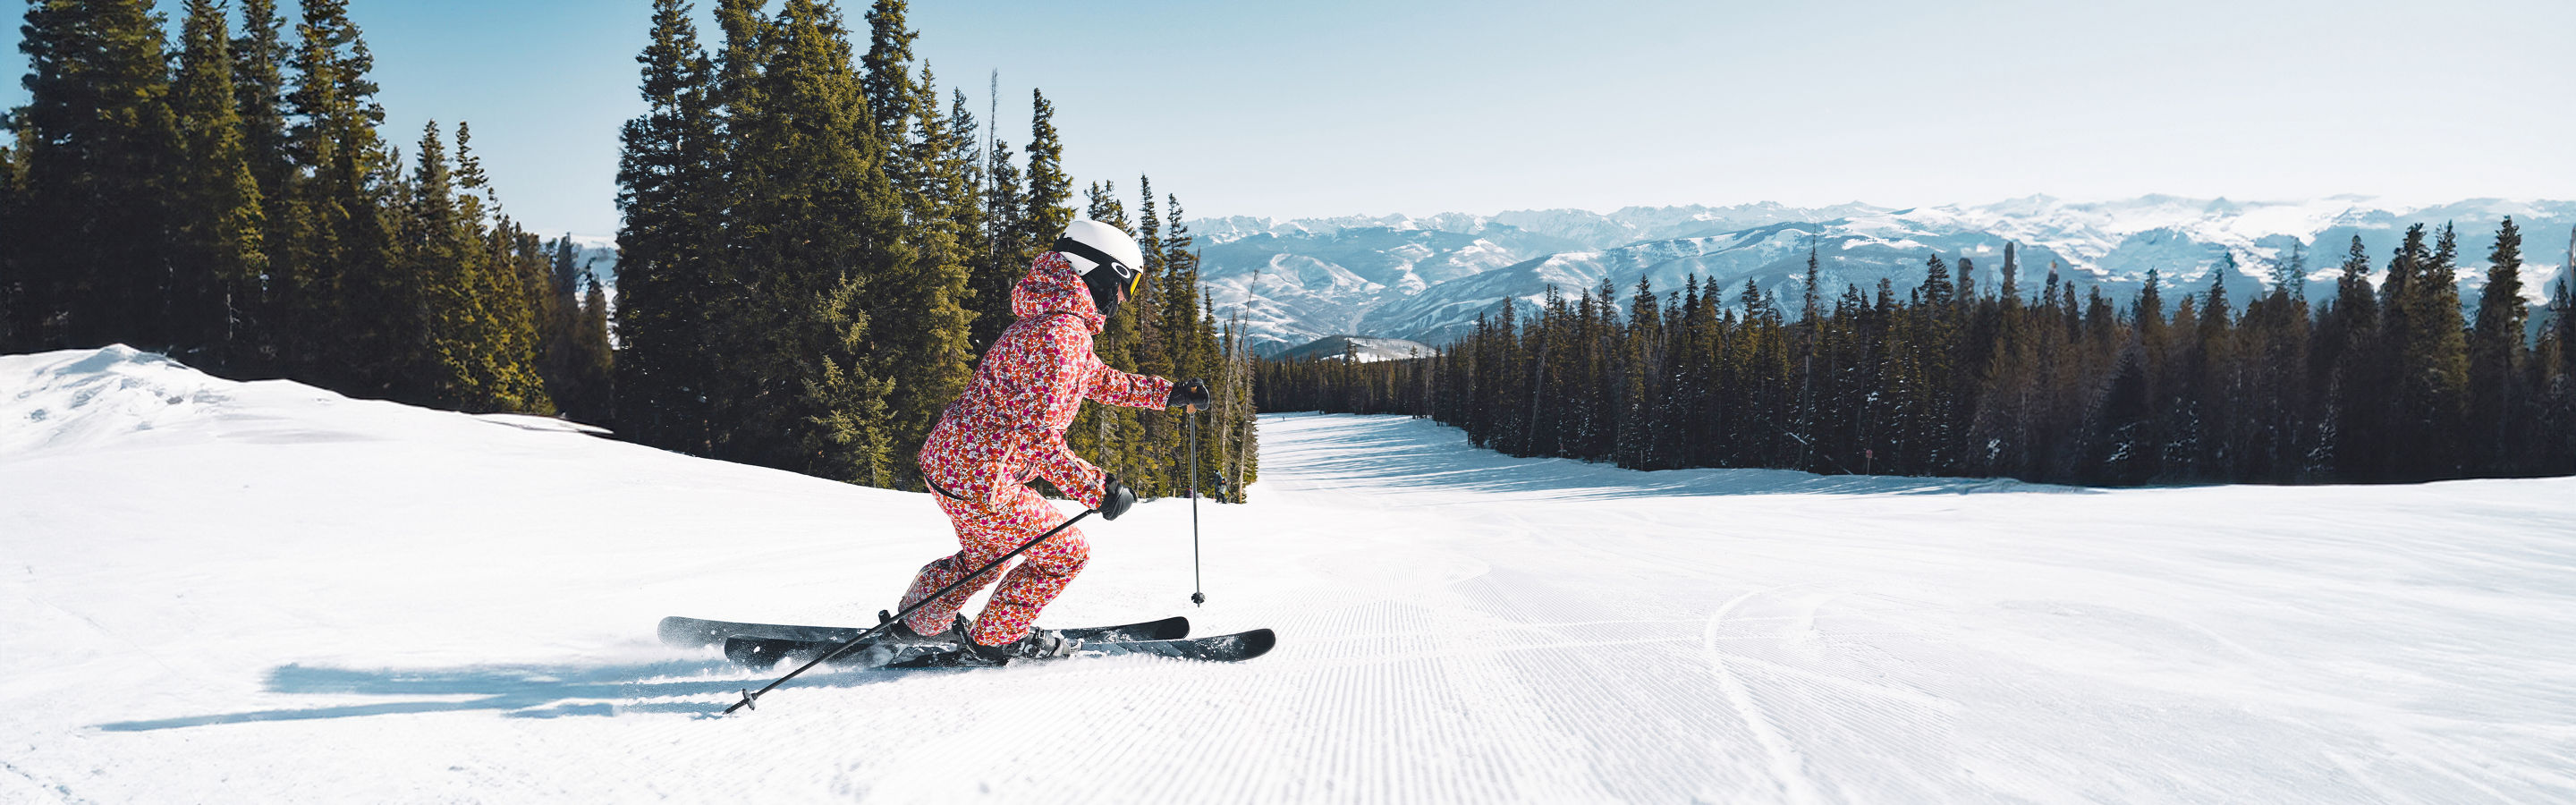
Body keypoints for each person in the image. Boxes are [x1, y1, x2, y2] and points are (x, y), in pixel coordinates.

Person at [891, 219, 1215, 663]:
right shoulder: (1061, 335)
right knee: (1067, 553)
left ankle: (916, 623)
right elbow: (1038, 438)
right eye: (1128, 285)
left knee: (986, 557)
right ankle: (992, 639)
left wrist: (1168, 394)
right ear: (1103, 274)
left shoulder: (1053, 322)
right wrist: (1100, 489)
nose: (1124, 299)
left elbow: (1095, 379)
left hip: (952, 465)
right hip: (987, 480)